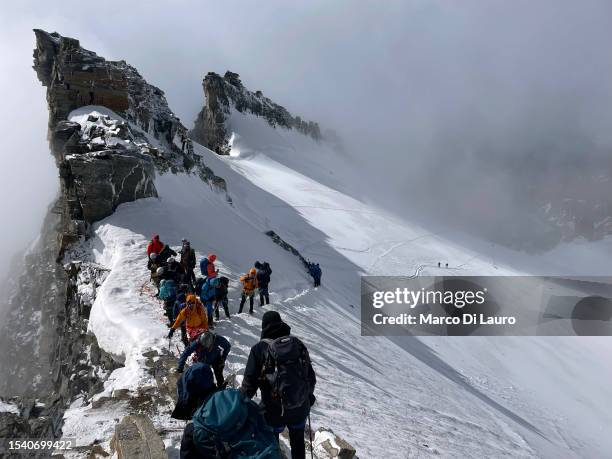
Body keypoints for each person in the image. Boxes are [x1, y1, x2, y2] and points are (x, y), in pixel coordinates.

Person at [241, 311, 316, 459]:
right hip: (299, 407)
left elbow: (249, 386)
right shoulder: (296, 344)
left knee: (271, 446)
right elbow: (310, 377)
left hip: (273, 411)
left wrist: (239, 404)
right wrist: (308, 397)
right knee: (298, 444)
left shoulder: (258, 349)